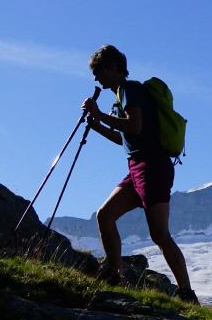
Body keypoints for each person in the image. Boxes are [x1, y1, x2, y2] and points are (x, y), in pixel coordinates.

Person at [81, 44, 198, 303]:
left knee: (159, 235)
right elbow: (126, 137)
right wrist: (96, 123)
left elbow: (134, 126)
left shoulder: (129, 90)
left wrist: (99, 114)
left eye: (98, 71)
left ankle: (187, 293)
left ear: (113, 68)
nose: (95, 78)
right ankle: (114, 275)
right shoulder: (123, 94)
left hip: (151, 167)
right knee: (105, 215)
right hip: (138, 168)